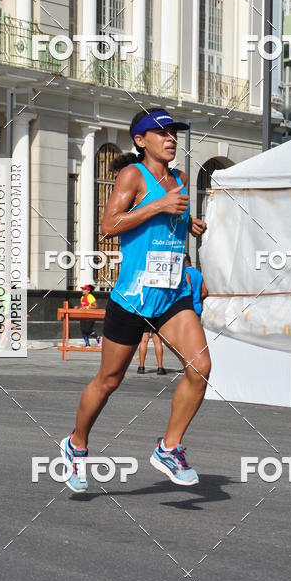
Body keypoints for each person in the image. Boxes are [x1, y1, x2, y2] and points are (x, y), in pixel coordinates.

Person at [61, 107, 209, 490]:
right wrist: (158, 205)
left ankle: (169, 448)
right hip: (134, 296)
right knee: (109, 381)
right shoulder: (133, 175)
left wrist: (189, 223)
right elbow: (109, 225)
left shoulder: (179, 178)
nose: (171, 139)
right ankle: (76, 444)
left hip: (173, 293)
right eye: (162, 133)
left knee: (200, 368)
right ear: (141, 141)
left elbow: (167, 223)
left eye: (174, 133)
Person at [185, 254, 208, 319]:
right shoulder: (198, 273)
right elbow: (205, 292)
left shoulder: (185, 273)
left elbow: (188, 291)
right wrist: (197, 297)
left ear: (185, 261)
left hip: (188, 309)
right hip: (198, 308)